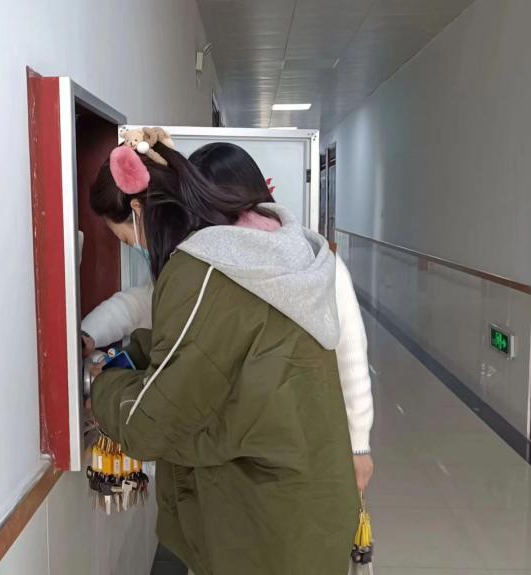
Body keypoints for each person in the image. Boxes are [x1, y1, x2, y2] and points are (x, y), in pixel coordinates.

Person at [87, 136, 357, 574]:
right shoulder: (269, 253)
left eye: (124, 237)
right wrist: (134, 352)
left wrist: (102, 387)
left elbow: (151, 424)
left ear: (137, 211)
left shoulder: (205, 272)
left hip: (264, 524)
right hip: (307, 500)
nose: (134, 247)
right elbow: (216, 350)